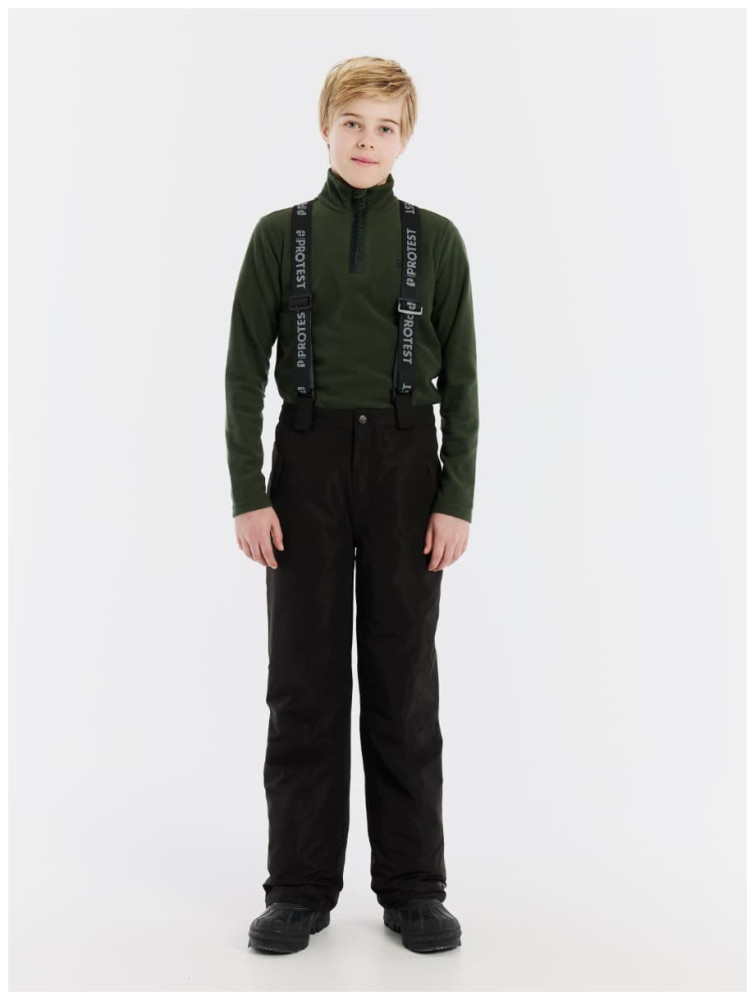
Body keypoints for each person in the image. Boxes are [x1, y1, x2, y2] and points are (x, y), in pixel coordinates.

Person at [225, 56, 479, 955]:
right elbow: (241, 373)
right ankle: (297, 887)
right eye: (353, 123)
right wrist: (248, 493)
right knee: (303, 680)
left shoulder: (436, 240)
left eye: (385, 127)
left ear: (404, 139)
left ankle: (413, 887)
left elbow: (465, 381)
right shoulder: (278, 236)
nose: (367, 141)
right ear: (325, 128)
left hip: (408, 464)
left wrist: (455, 496)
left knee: (403, 679)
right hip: (306, 460)